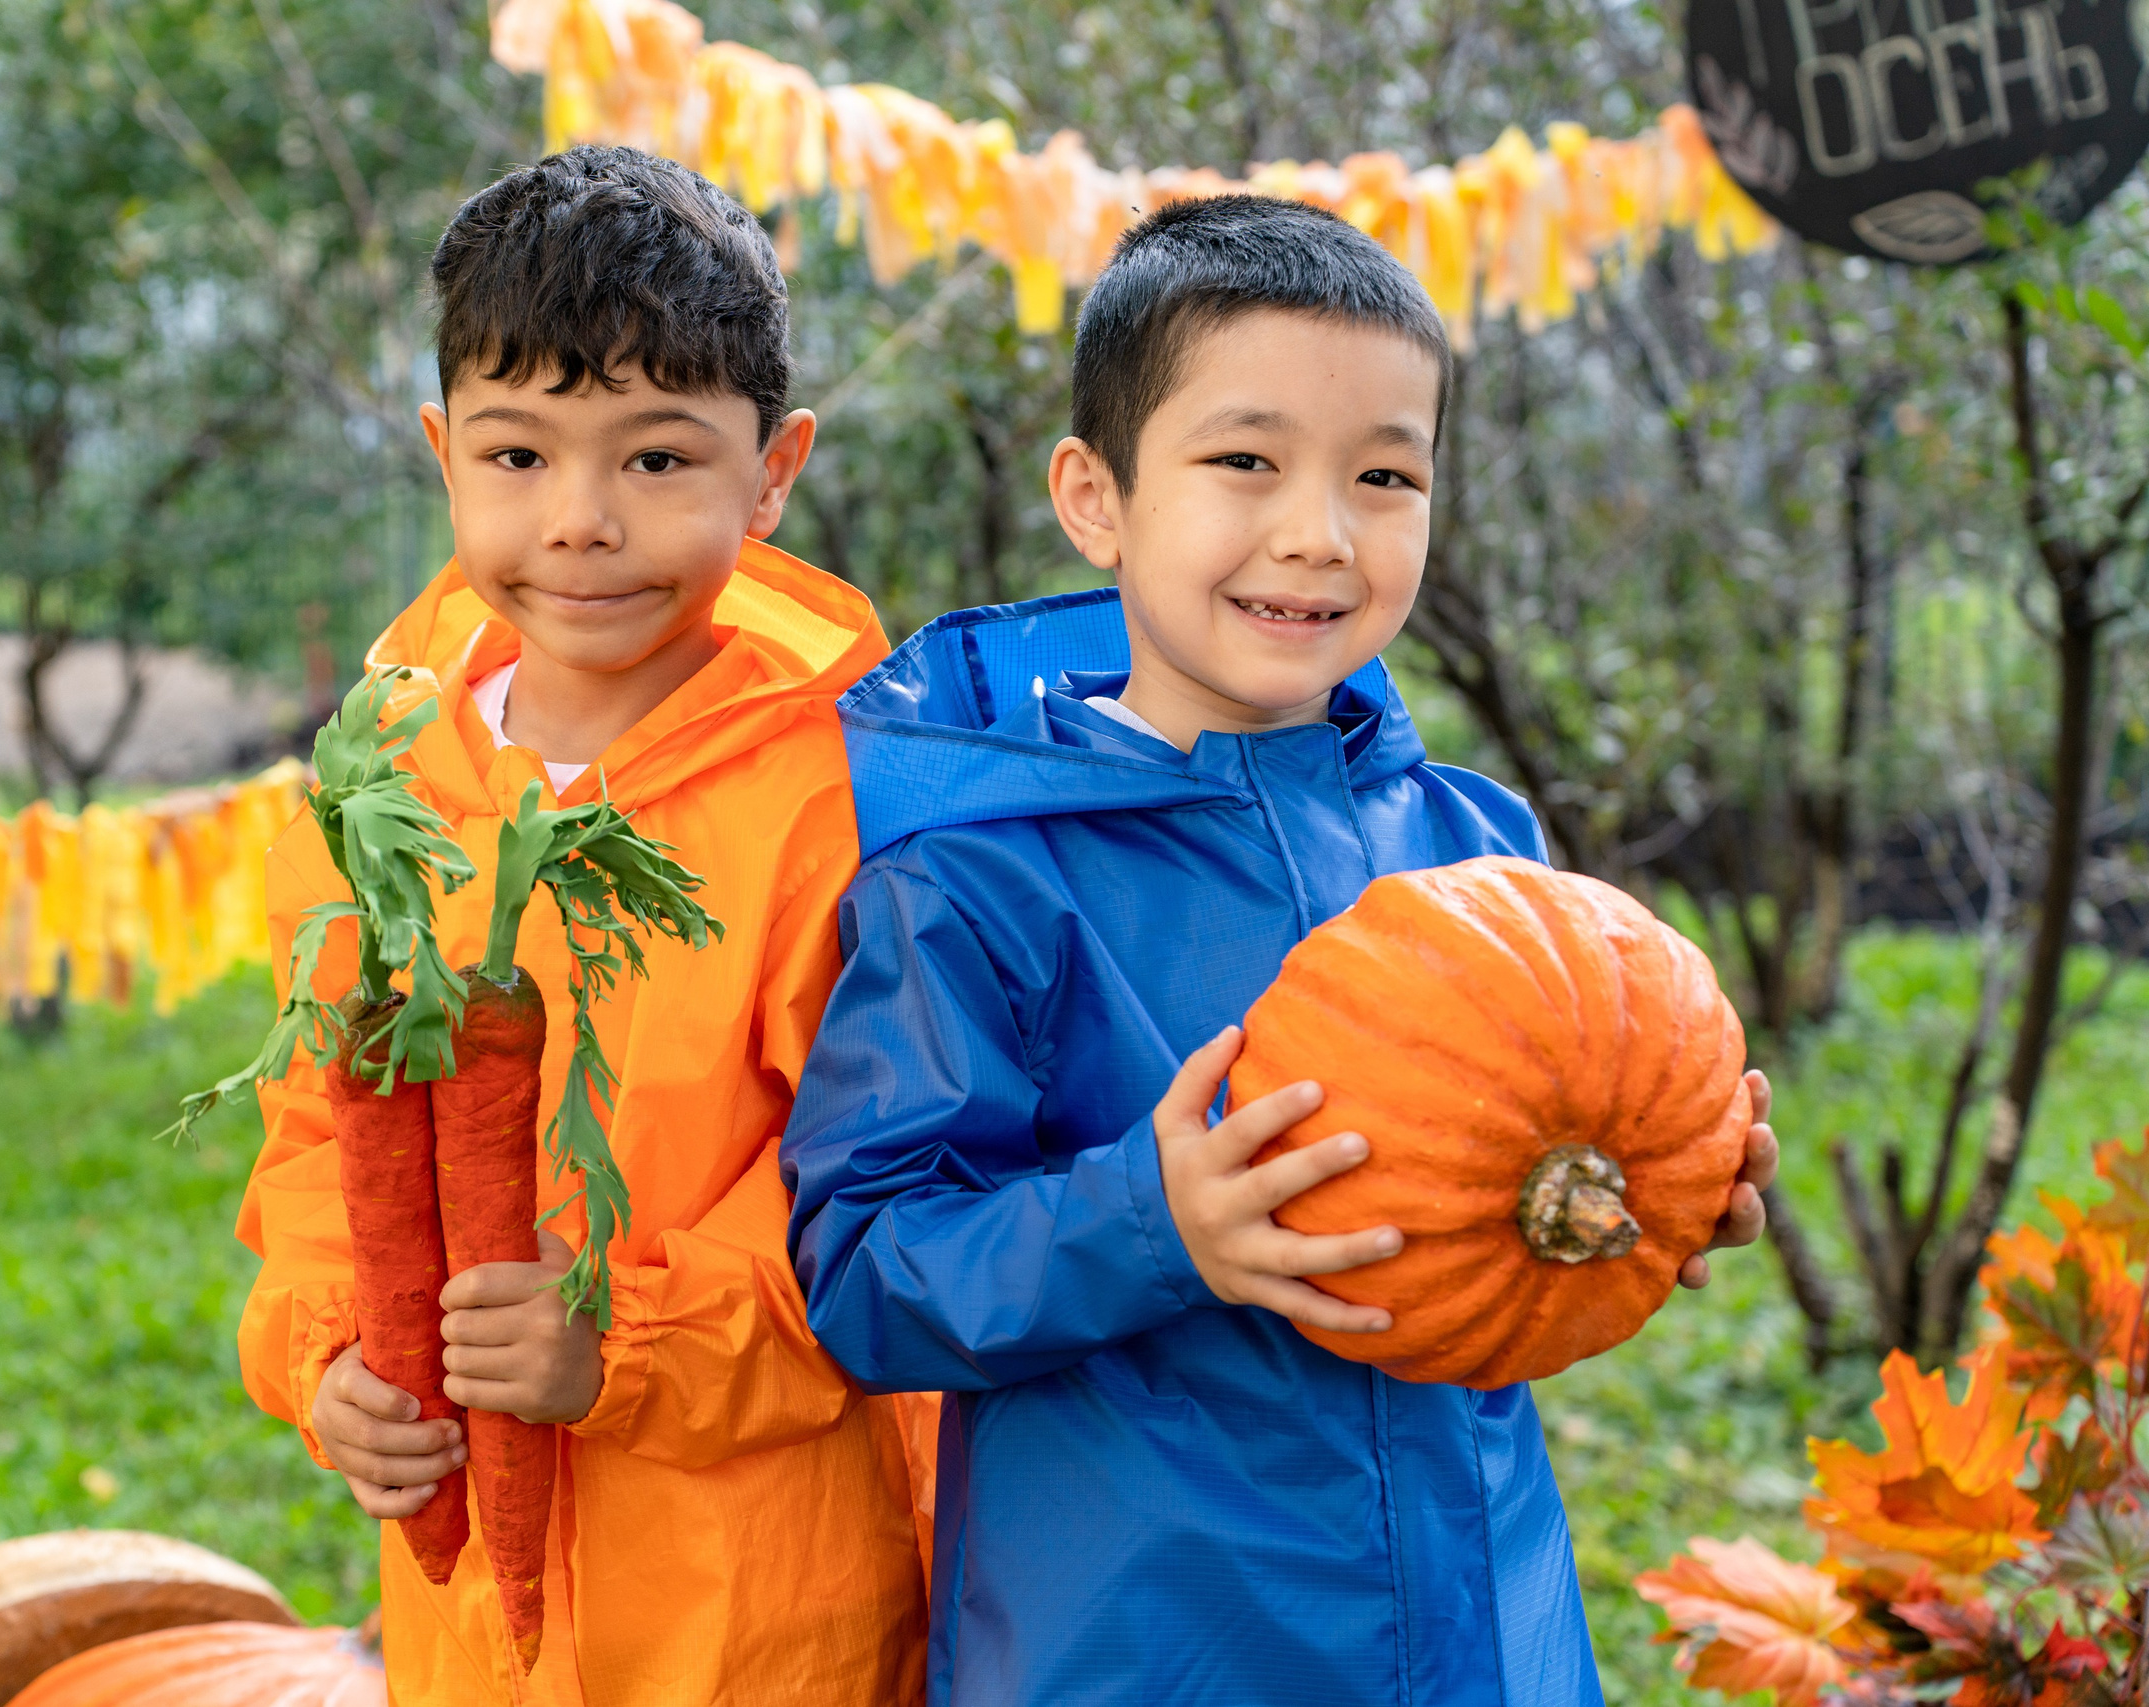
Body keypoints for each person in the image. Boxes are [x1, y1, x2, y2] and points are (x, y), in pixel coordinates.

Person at [780, 194, 1780, 1706]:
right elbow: (866, 1272)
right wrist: (1151, 1222)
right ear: (1097, 498)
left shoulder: (1476, 841)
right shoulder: (981, 873)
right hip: (1143, 1653)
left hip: (1482, 1637)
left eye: (1385, 475)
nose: (1319, 532)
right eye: (1247, 461)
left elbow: (1509, 1216)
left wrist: (1662, 1176)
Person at [236, 144, 930, 1707]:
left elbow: (876, 1192)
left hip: (758, 1608)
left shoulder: (844, 802)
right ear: (444, 454)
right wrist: (333, 1351)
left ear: (775, 471)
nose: (581, 521)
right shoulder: (383, 780)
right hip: (470, 1618)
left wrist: (621, 1343)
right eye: (519, 455)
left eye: (658, 460)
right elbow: (320, 1142)